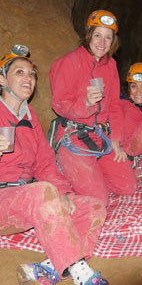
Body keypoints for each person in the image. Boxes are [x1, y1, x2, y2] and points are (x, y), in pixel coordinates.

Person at [0, 44, 109, 285]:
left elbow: (46, 163)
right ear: (1, 79)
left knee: (93, 206)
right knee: (41, 191)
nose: (28, 78)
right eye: (19, 72)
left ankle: (48, 269)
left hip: (22, 200)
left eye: (31, 74)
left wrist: (63, 195)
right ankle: (80, 272)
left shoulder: (30, 118)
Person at [49, 9, 136, 205]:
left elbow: (114, 105)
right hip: (74, 137)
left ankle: (90, 175)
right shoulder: (68, 63)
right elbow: (59, 104)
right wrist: (86, 103)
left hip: (100, 137)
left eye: (108, 37)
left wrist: (115, 140)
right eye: (97, 35)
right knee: (99, 200)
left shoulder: (110, 65)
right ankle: (71, 177)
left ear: (113, 41)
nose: (102, 42)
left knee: (127, 186)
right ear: (88, 35)